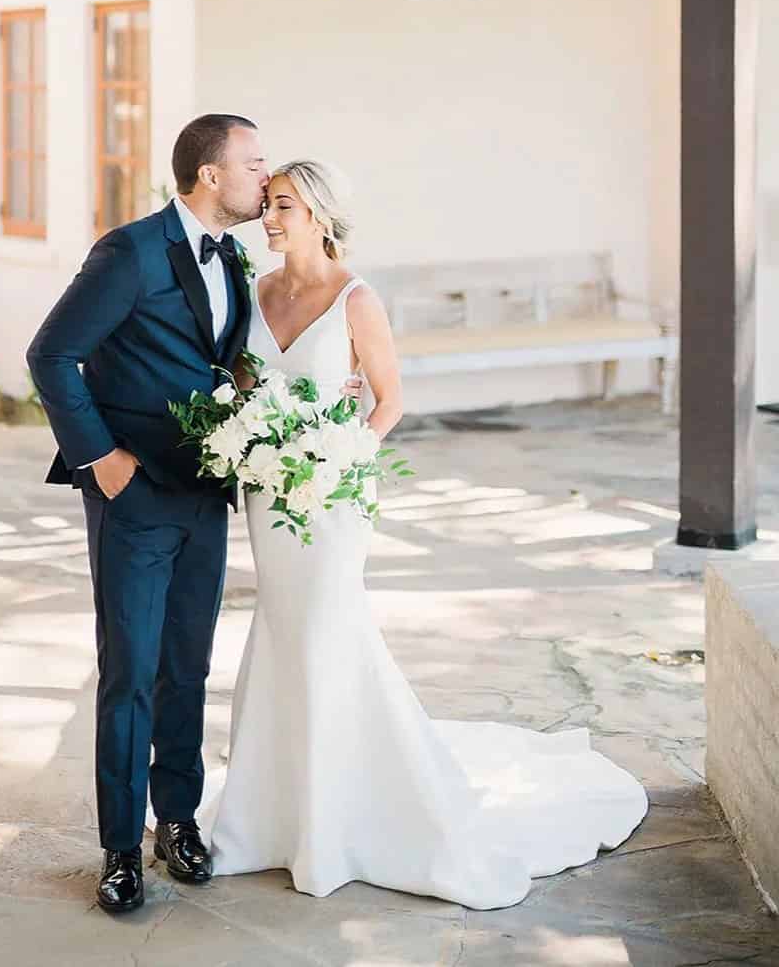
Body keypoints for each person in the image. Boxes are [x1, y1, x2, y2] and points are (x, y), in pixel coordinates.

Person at [202, 160, 649, 909]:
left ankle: (339, 815)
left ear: (317, 213)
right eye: (268, 208)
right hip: (270, 495)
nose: (269, 220)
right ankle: (271, 814)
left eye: (282, 207)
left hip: (334, 494)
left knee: (326, 629)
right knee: (281, 631)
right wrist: (258, 444)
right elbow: (249, 386)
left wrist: (339, 458)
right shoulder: (257, 293)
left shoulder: (355, 298)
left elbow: (389, 401)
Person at [26, 113, 268, 912]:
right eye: (253, 163)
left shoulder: (234, 254)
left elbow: (217, 360)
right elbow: (51, 354)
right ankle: (121, 848)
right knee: (129, 673)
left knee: (187, 670)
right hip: (133, 498)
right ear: (209, 175)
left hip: (206, 493)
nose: (263, 177)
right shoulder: (129, 251)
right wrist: (103, 460)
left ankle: (179, 820)